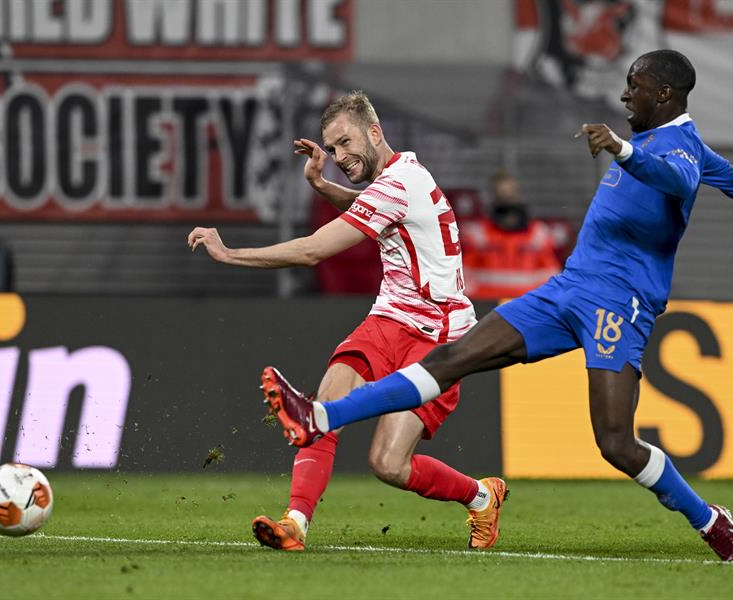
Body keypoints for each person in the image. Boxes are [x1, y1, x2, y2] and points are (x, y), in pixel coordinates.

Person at [259, 51, 733, 562]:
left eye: (634, 87)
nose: (623, 96)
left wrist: (622, 150)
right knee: (455, 356)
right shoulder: (672, 137)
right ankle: (320, 416)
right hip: (567, 289)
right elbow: (721, 170)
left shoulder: (670, 149)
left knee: (615, 443)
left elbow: (682, 175)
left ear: (664, 94)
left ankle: (709, 519)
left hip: (620, 304)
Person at [188, 91, 508, 551]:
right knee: (324, 405)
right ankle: (295, 522)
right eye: (332, 148)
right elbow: (368, 206)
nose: (338, 156)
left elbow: (314, 250)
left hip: (439, 336)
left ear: (375, 133)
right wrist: (323, 186)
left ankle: (482, 496)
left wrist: (229, 253)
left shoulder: (399, 185)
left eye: (344, 143)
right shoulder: (396, 181)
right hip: (390, 319)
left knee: (388, 464)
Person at [460, 169, 562, 299]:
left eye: (510, 193)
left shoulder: (538, 233)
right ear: (492, 196)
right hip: (485, 303)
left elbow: (550, 272)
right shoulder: (478, 234)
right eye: (501, 194)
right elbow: (465, 273)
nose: (506, 199)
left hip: (526, 304)